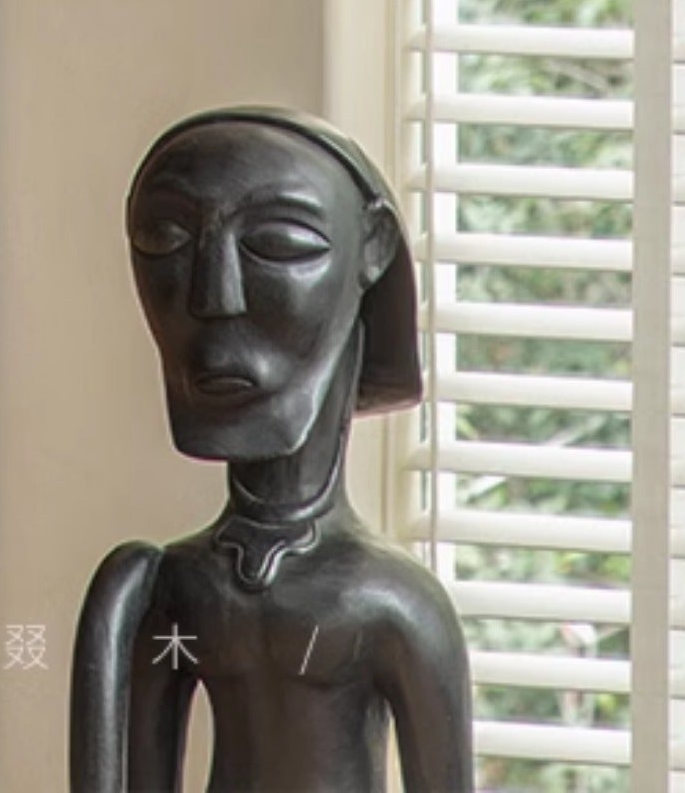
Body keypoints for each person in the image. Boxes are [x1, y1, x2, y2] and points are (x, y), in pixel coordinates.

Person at [71, 108, 473, 793]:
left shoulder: (391, 604)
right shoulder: (171, 588)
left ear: (369, 249)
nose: (215, 296)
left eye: (281, 245)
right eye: (164, 239)